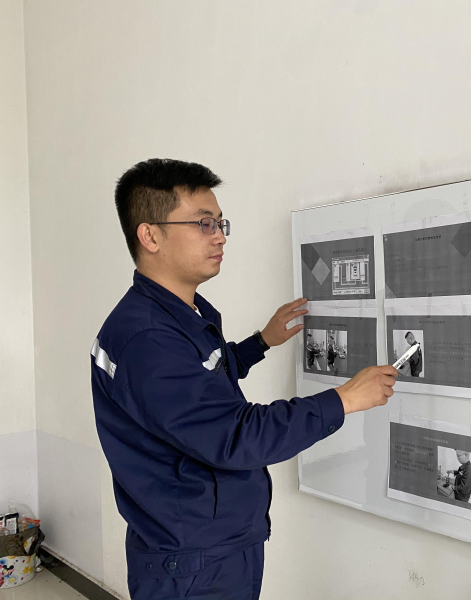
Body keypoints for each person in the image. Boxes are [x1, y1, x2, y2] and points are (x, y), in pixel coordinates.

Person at [90, 159, 397, 600]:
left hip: (209, 543)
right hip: (194, 565)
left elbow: (199, 385)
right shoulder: (148, 339)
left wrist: (260, 342)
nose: (219, 236)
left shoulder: (174, 314)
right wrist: (344, 399)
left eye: (220, 223)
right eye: (203, 223)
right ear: (150, 236)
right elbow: (236, 436)